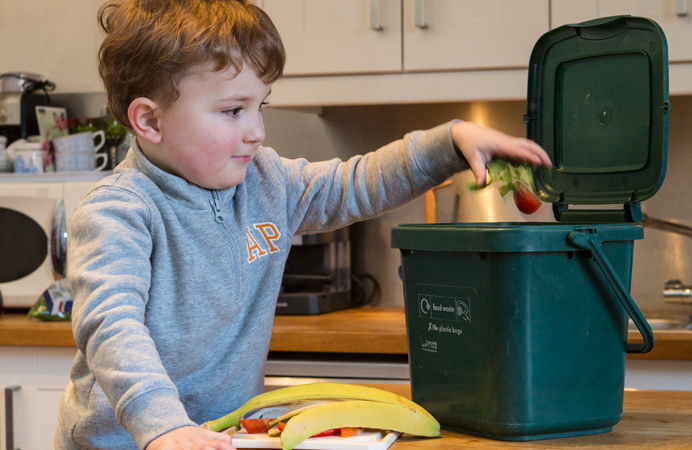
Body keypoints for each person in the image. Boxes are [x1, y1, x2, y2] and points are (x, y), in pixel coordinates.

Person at [55, 1, 552, 449]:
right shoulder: (118, 212)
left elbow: (355, 184)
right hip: (122, 443)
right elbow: (111, 327)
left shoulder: (267, 181)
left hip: (220, 439)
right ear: (149, 121)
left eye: (259, 105)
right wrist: (161, 426)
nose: (256, 131)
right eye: (232, 110)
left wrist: (450, 141)